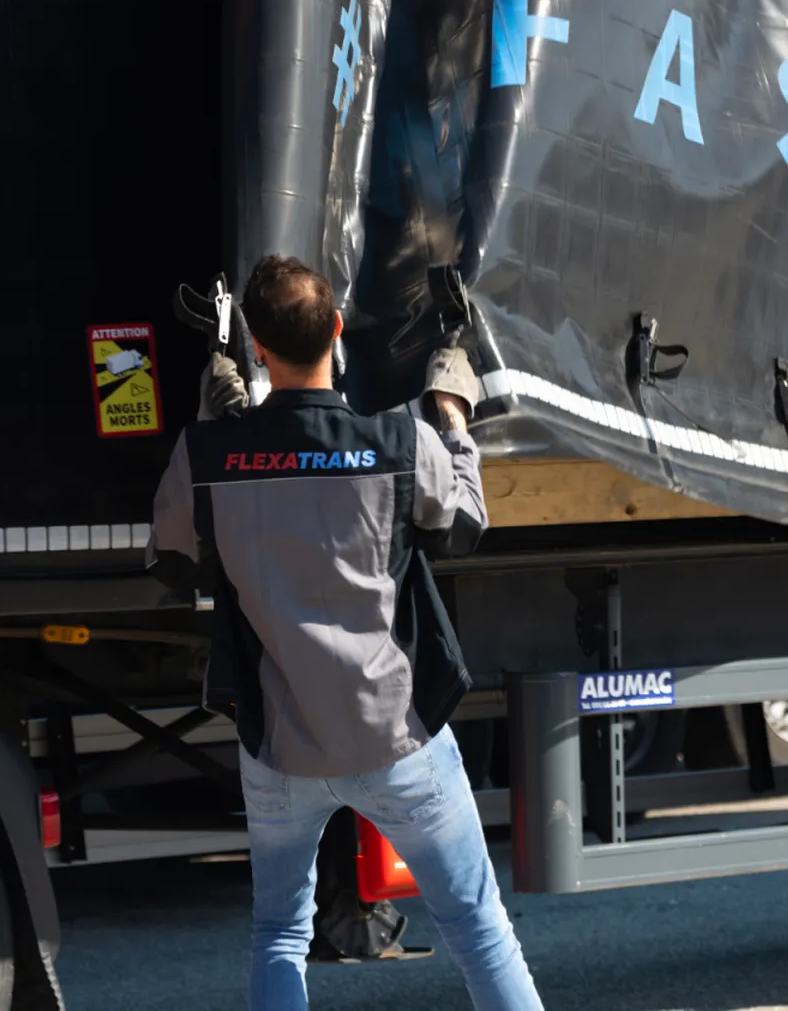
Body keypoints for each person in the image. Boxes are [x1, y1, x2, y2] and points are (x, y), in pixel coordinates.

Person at [148, 254, 543, 1011]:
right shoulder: (398, 444)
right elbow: (463, 524)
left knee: (279, 934)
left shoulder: (210, 457)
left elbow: (173, 563)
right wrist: (452, 413)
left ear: (256, 346)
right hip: (398, 741)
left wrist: (209, 428)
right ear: (336, 329)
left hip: (280, 750)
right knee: (479, 929)